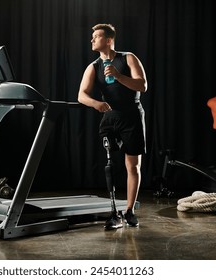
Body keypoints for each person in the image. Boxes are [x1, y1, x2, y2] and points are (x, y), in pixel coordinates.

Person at [77, 23, 148, 229]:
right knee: (110, 164)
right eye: (92, 37)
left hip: (132, 115)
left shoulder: (128, 58)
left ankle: (129, 210)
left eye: (96, 36)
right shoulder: (93, 67)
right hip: (110, 117)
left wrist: (118, 76)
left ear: (108, 40)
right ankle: (113, 212)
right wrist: (96, 103)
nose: (92, 40)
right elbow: (81, 95)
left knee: (132, 166)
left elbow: (142, 86)